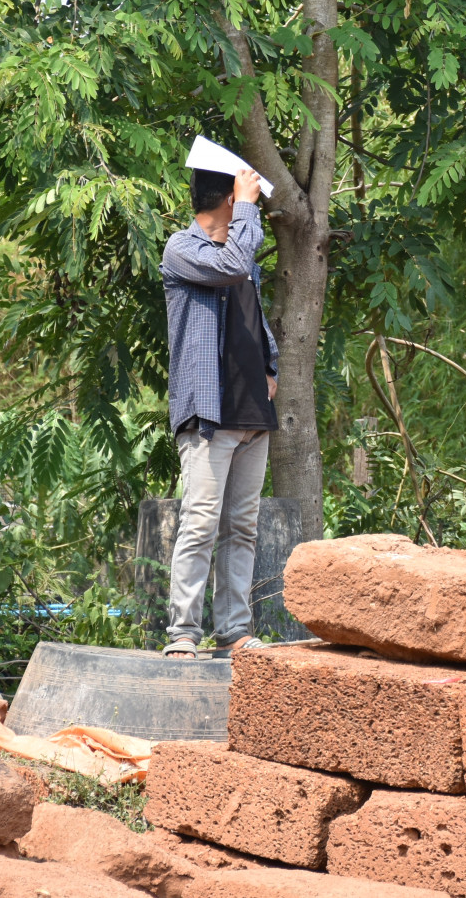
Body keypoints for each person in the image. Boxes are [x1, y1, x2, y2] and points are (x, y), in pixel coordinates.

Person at [161, 164, 279, 659]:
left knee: (243, 526)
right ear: (229, 199)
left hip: (254, 411)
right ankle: (183, 632)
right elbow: (231, 266)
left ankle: (233, 630)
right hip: (209, 414)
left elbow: (251, 307)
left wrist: (270, 365)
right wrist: (249, 203)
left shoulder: (241, 253)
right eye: (244, 199)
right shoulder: (182, 249)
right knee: (201, 521)